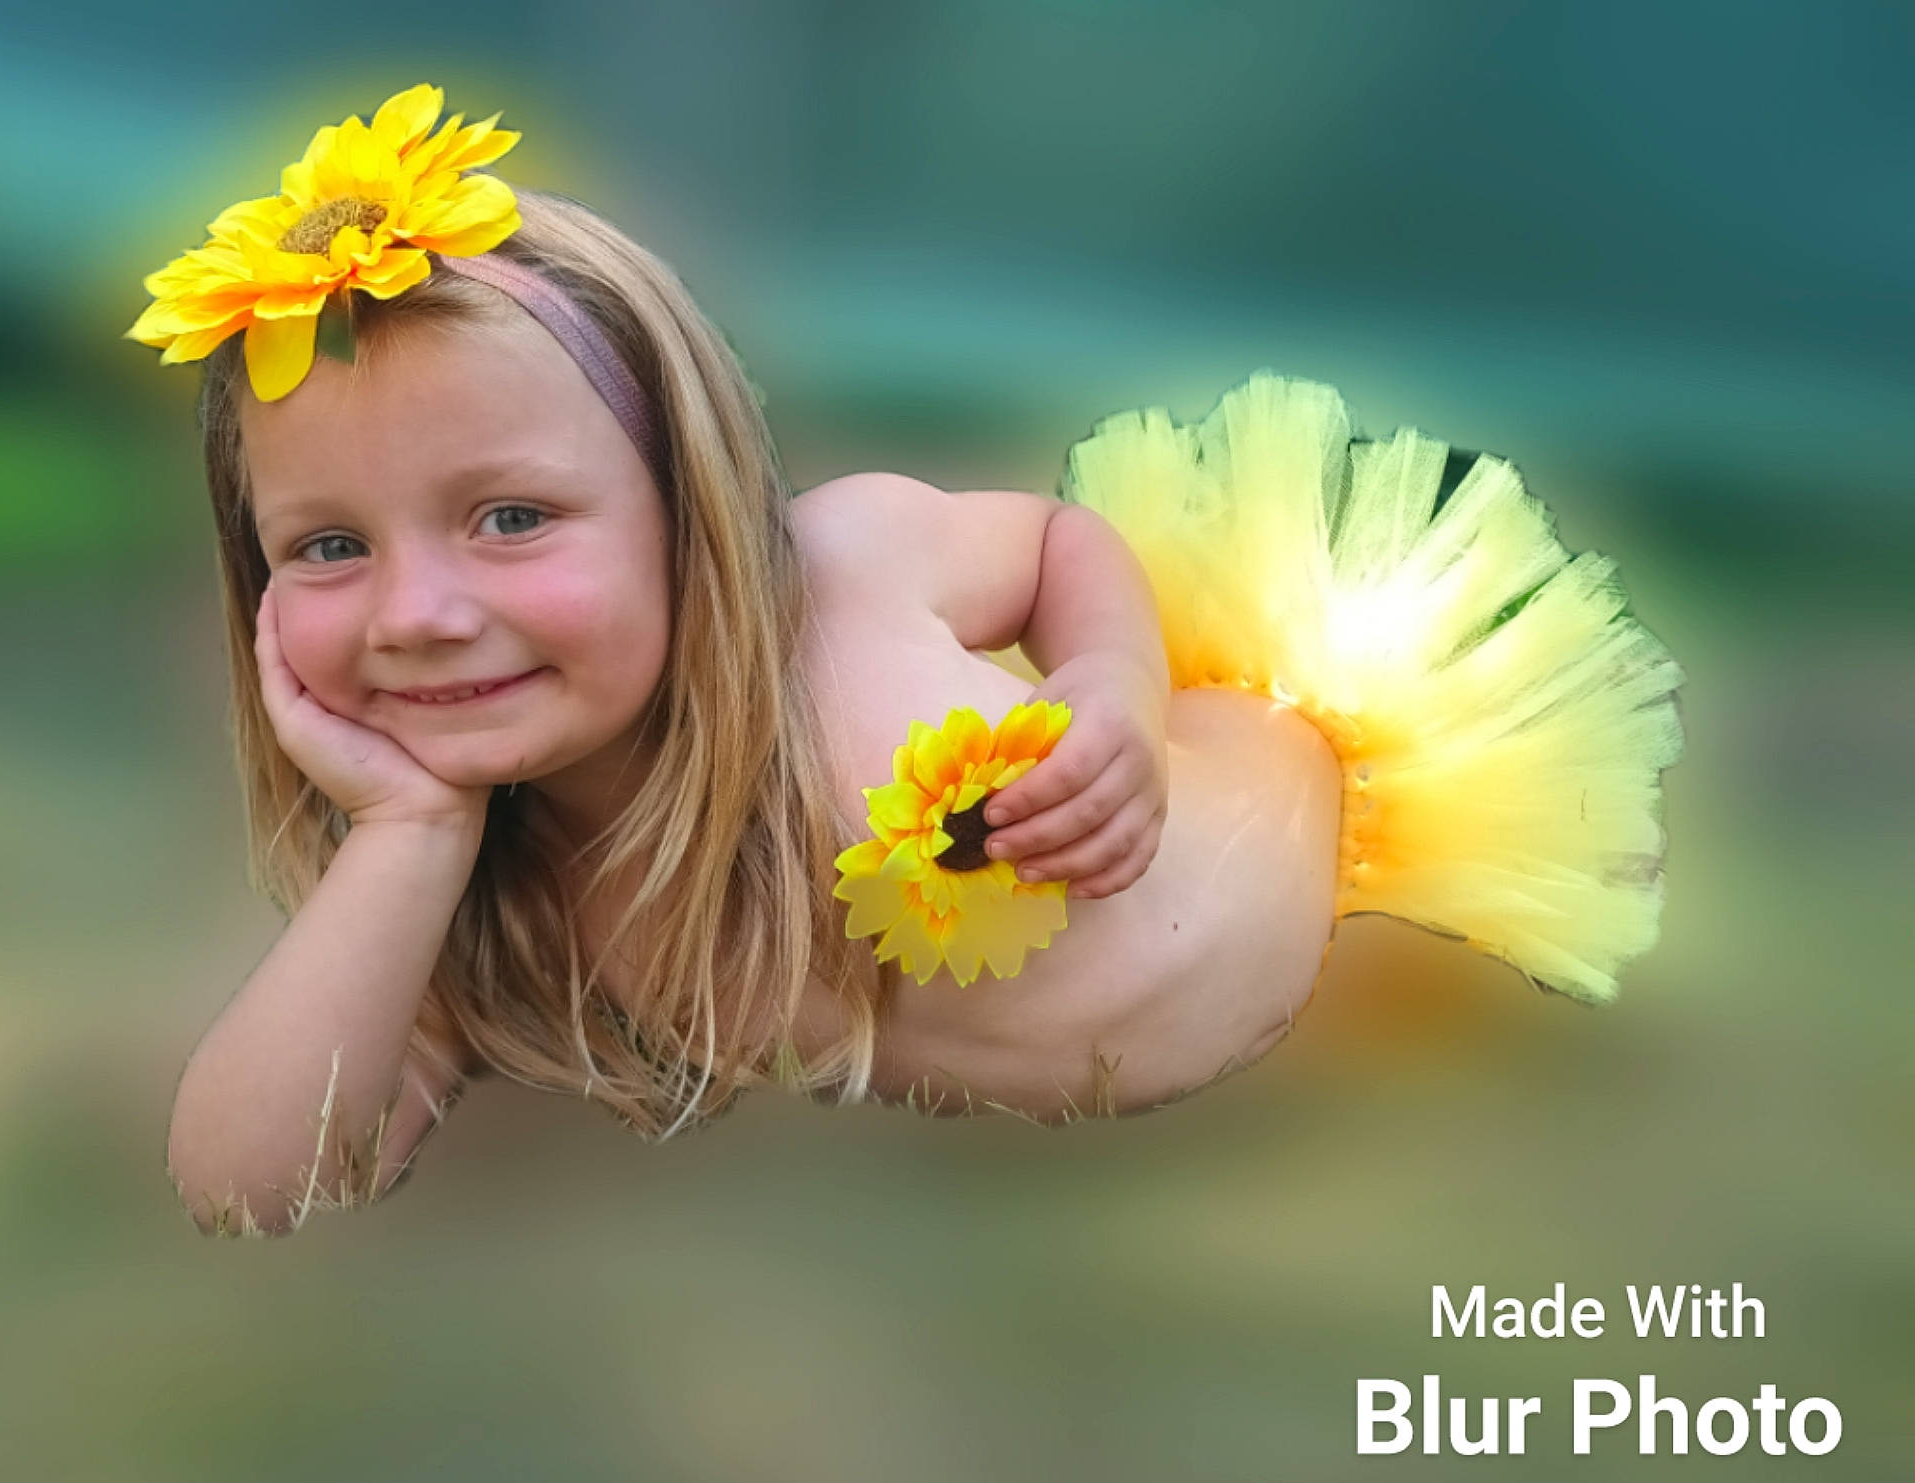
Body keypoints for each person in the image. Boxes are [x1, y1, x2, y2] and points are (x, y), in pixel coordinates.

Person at [133, 86, 1682, 1235]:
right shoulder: (479, 926)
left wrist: (1114, 704)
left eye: (513, 517)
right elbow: (245, 1188)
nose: (415, 610)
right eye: (327, 547)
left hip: (1283, 811)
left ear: (705, 512)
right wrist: (407, 839)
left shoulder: (853, 573)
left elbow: (1067, 546)